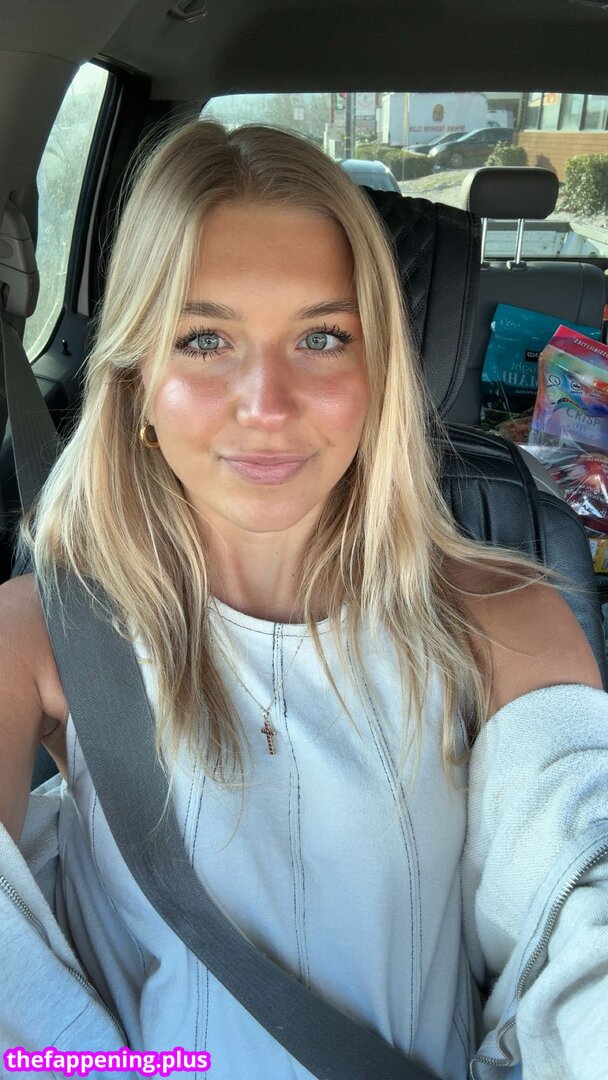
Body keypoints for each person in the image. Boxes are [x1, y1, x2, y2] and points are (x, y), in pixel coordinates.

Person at [0, 120, 607, 1080]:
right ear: (139, 376)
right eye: (204, 339)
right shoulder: (36, 637)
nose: (267, 404)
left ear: (379, 371)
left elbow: (585, 894)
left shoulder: (507, 621)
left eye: (322, 337)